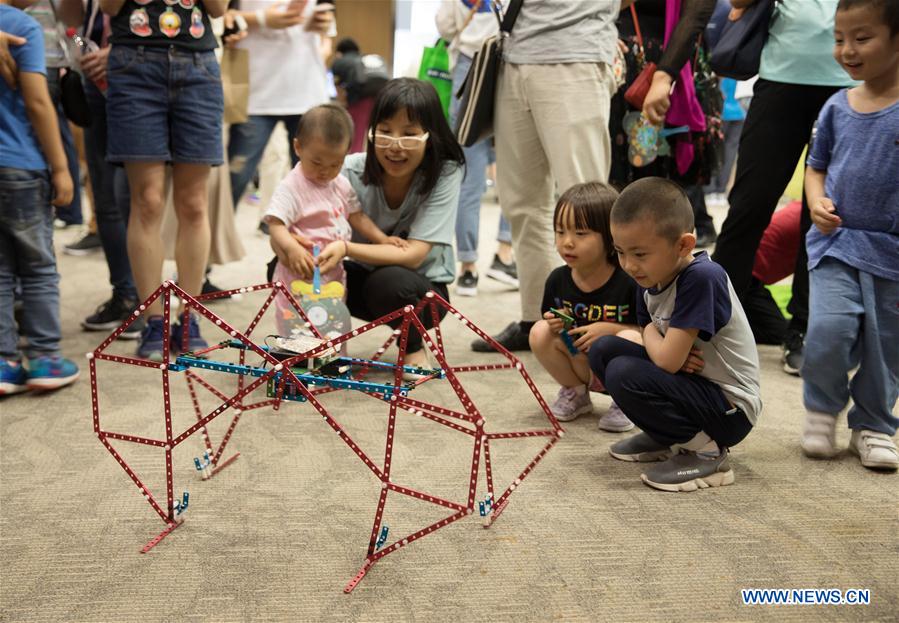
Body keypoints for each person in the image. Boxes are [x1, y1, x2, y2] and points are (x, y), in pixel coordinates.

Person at [711, 0, 856, 373]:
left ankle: (806, 329)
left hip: (850, 82)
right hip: (782, 77)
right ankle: (711, 319)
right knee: (748, 204)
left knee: (824, 213)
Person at [589, 178, 761, 492]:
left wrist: (662, 344)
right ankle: (668, 435)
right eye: (620, 252)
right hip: (696, 388)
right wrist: (664, 347)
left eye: (640, 254)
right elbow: (657, 344)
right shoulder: (650, 280)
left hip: (730, 408)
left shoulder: (701, 278)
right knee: (604, 350)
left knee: (624, 371)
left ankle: (707, 451)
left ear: (683, 245)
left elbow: (666, 357)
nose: (629, 265)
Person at [470, 0, 620, 352]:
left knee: (588, 201)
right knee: (521, 201)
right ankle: (536, 317)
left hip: (576, 53)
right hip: (513, 54)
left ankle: (603, 318)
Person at [798, 0, 899, 471]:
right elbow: (815, 168)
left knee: (886, 345)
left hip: (891, 253)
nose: (847, 50)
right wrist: (816, 201)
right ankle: (822, 408)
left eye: (862, 38)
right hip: (836, 244)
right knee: (827, 330)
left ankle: (875, 423)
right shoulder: (837, 106)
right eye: (840, 38)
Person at [100, 0, 226, 360]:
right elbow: (108, 7)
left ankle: (190, 318)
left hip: (199, 64)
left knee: (194, 203)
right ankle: (154, 320)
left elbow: (217, 9)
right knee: (148, 199)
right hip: (132, 64)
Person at [316, 78, 464, 370]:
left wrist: (346, 247)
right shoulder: (349, 169)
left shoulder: (445, 173)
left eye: (409, 135)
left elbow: (412, 255)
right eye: (384, 132)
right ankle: (316, 342)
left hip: (420, 292)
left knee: (392, 284)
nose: (395, 147)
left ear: (430, 137)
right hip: (356, 280)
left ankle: (411, 344)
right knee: (293, 267)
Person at [264, 104, 403, 331]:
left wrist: (382, 239)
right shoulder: (292, 186)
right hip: (299, 268)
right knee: (296, 321)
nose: (325, 172)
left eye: (335, 164)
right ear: (298, 147)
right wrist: (291, 249)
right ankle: (297, 363)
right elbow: (276, 224)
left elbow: (357, 216)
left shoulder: (340, 184)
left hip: (333, 270)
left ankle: (330, 361)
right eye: (317, 162)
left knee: (333, 321)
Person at [0, 0, 78, 394]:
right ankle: (46, 358)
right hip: (21, 166)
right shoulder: (21, 27)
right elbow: (36, 100)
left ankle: (4, 362)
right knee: (38, 265)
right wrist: (61, 167)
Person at [528, 182, 640, 432]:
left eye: (580, 233)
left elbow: (650, 333)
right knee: (540, 330)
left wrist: (609, 329)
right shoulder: (558, 279)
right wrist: (556, 322)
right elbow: (552, 327)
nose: (567, 242)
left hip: (619, 367)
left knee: (630, 336)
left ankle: (626, 401)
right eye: (560, 232)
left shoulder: (629, 280)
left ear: (610, 237)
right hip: (580, 360)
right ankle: (575, 392)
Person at [436, 0, 517, 298]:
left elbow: (445, 26)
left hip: (472, 67)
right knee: (513, 170)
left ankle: (468, 268)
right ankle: (503, 254)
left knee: (471, 179)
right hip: (507, 64)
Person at [227, 0, 335, 211]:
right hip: (255, 92)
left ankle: (313, 240)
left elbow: (328, 34)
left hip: (307, 90)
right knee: (235, 177)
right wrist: (261, 19)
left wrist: (324, 22)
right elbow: (221, 16)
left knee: (315, 183)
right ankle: (218, 241)